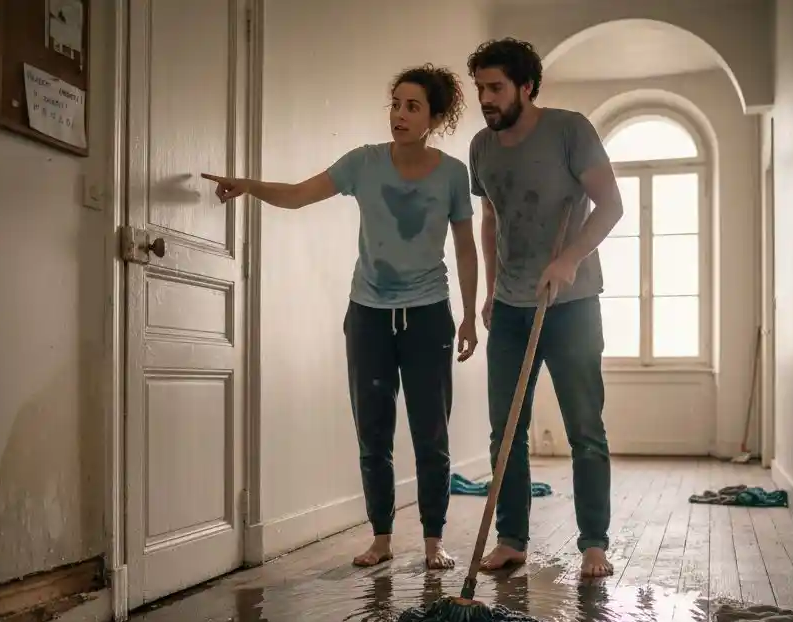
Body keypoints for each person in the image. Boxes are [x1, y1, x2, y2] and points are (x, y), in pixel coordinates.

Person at [202, 65, 480, 570]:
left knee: (430, 433)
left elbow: (465, 247)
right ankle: (381, 537)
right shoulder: (364, 163)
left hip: (427, 317)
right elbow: (298, 195)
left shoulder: (452, 174)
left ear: (434, 117)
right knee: (372, 431)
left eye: (412, 106)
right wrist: (246, 185)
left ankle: (434, 541)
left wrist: (466, 316)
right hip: (368, 316)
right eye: (395, 104)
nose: (399, 115)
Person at [465, 38, 625, 579]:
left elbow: (611, 204)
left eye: (495, 88)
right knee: (505, 428)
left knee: (584, 426)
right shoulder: (481, 148)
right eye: (480, 88)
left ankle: (594, 543)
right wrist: (491, 288)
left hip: (572, 304)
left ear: (526, 87)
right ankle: (511, 538)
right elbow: (491, 221)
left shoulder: (569, 131)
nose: (485, 98)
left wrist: (570, 259)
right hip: (511, 306)